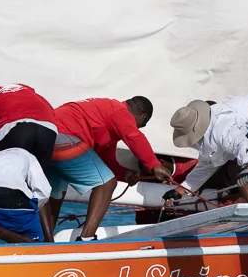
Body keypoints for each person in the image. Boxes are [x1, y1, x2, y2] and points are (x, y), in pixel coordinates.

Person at [44, 96, 172, 239]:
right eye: (141, 124)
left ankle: (45, 239)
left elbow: (106, 160)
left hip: (46, 138)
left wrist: (123, 173)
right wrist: (154, 165)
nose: (136, 126)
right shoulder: (120, 111)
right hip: (63, 137)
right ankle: (87, 238)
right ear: (142, 116)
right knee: (107, 184)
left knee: (57, 190)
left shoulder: (106, 114)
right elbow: (134, 136)